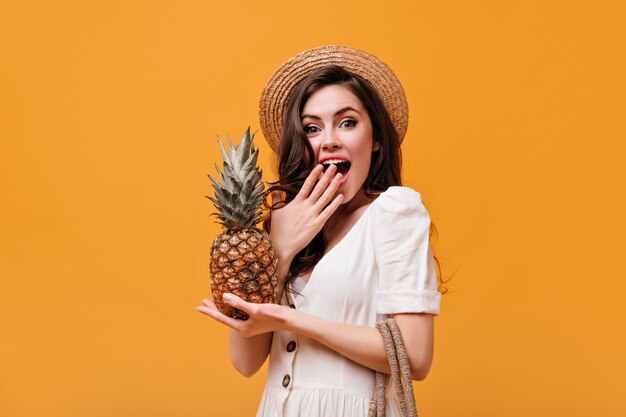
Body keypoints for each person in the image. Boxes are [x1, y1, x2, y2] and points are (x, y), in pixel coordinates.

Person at [196, 45, 442, 417]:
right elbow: (245, 362)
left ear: (375, 139)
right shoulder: (285, 225)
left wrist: (288, 319)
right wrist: (278, 251)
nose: (329, 139)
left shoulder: (394, 212)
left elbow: (415, 356)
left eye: (347, 122)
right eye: (312, 128)